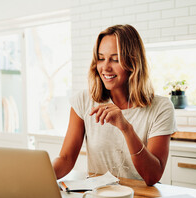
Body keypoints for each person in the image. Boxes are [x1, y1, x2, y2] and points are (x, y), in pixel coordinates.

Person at [53, 24, 176, 186]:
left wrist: (126, 127)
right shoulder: (83, 100)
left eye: (115, 59)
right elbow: (66, 159)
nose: (105, 67)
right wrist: (36, 177)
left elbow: (153, 176)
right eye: (101, 58)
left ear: (133, 62)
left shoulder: (161, 107)